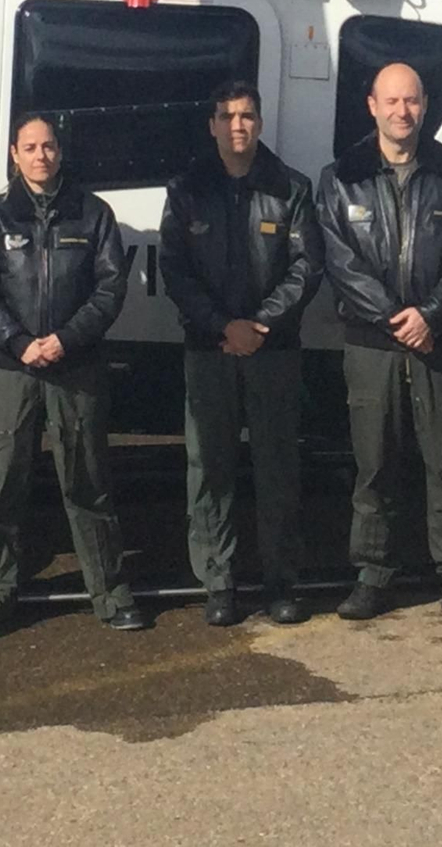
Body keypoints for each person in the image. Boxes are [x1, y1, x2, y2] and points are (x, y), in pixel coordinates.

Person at [0, 112, 148, 636]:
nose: (40, 156)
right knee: (1, 488)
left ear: (59, 152)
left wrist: (66, 339)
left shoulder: (92, 214)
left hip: (75, 368)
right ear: (14, 156)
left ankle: (110, 593)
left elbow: (110, 288)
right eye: (30, 147)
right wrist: (18, 342)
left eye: (48, 147)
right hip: (9, 369)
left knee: (88, 485)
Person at [316, 62, 442, 623]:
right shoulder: (340, 178)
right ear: (372, 106)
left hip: (438, 342)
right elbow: (339, 261)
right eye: (391, 101)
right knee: (374, 466)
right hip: (372, 344)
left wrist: (430, 316)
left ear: (424, 105)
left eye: (411, 100)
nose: (402, 111)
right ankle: (373, 575)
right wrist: (394, 317)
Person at [159, 79, 323, 626]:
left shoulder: (291, 188)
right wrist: (222, 326)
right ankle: (219, 582)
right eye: (227, 116)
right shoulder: (187, 189)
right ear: (212, 125)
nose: (238, 125)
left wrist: (260, 325)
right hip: (209, 349)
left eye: (247, 115)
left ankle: (281, 582)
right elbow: (175, 270)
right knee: (210, 469)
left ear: (260, 122)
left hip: (273, 351)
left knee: (278, 467)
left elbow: (306, 268)